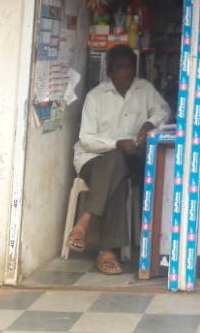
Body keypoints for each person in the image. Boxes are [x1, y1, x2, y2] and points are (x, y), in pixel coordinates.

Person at [67, 44, 170, 275]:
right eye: (122, 66)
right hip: (92, 159)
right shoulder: (95, 97)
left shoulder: (144, 89)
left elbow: (163, 111)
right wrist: (116, 144)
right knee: (117, 170)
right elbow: (86, 139)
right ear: (110, 72)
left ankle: (85, 221)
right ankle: (106, 251)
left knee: (117, 162)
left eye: (131, 65)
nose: (128, 71)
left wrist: (149, 123)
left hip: (132, 158)